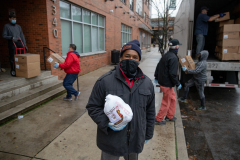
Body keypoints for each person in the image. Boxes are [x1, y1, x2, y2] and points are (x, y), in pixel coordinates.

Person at [86, 39, 155, 160]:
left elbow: (150, 111)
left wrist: (148, 133)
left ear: (139, 60)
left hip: (135, 139)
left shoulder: (147, 84)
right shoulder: (105, 81)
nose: (131, 59)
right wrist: (106, 123)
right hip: (111, 140)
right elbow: (93, 107)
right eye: (127, 56)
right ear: (121, 58)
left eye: (135, 57)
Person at [154, 39, 182, 125]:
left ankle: (169, 116)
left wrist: (156, 76)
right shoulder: (173, 58)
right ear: (176, 47)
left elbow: (158, 66)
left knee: (173, 99)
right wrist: (178, 83)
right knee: (166, 102)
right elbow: (172, 74)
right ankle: (158, 119)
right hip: (167, 84)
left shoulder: (166, 55)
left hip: (164, 82)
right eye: (178, 46)